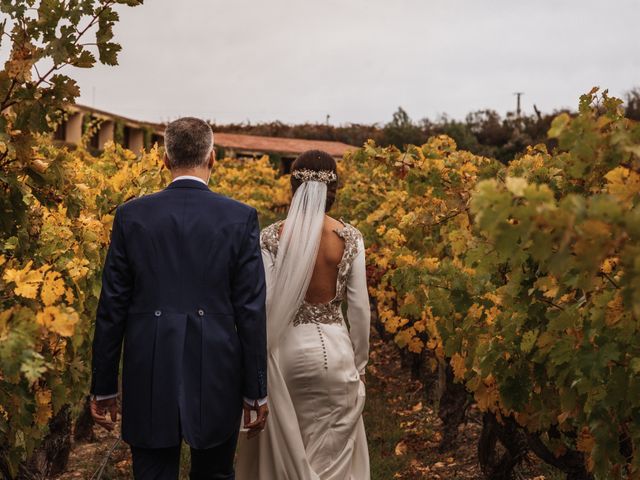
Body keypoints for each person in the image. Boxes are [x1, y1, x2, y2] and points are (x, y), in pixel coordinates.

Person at [89, 117, 269, 480]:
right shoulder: (240, 217)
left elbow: (112, 307)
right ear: (212, 158)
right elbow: (250, 310)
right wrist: (256, 390)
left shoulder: (130, 215)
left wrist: (104, 386)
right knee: (215, 474)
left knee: (152, 473)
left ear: (165, 161)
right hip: (219, 366)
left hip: (149, 366)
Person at [236, 150, 371, 480]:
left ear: (294, 188)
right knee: (334, 456)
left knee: (290, 453)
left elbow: (263, 305)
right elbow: (360, 310)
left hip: (287, 357)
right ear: (333, 189)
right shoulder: (350, 238)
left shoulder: (271, 237)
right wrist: (360, 365)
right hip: (338, 356)